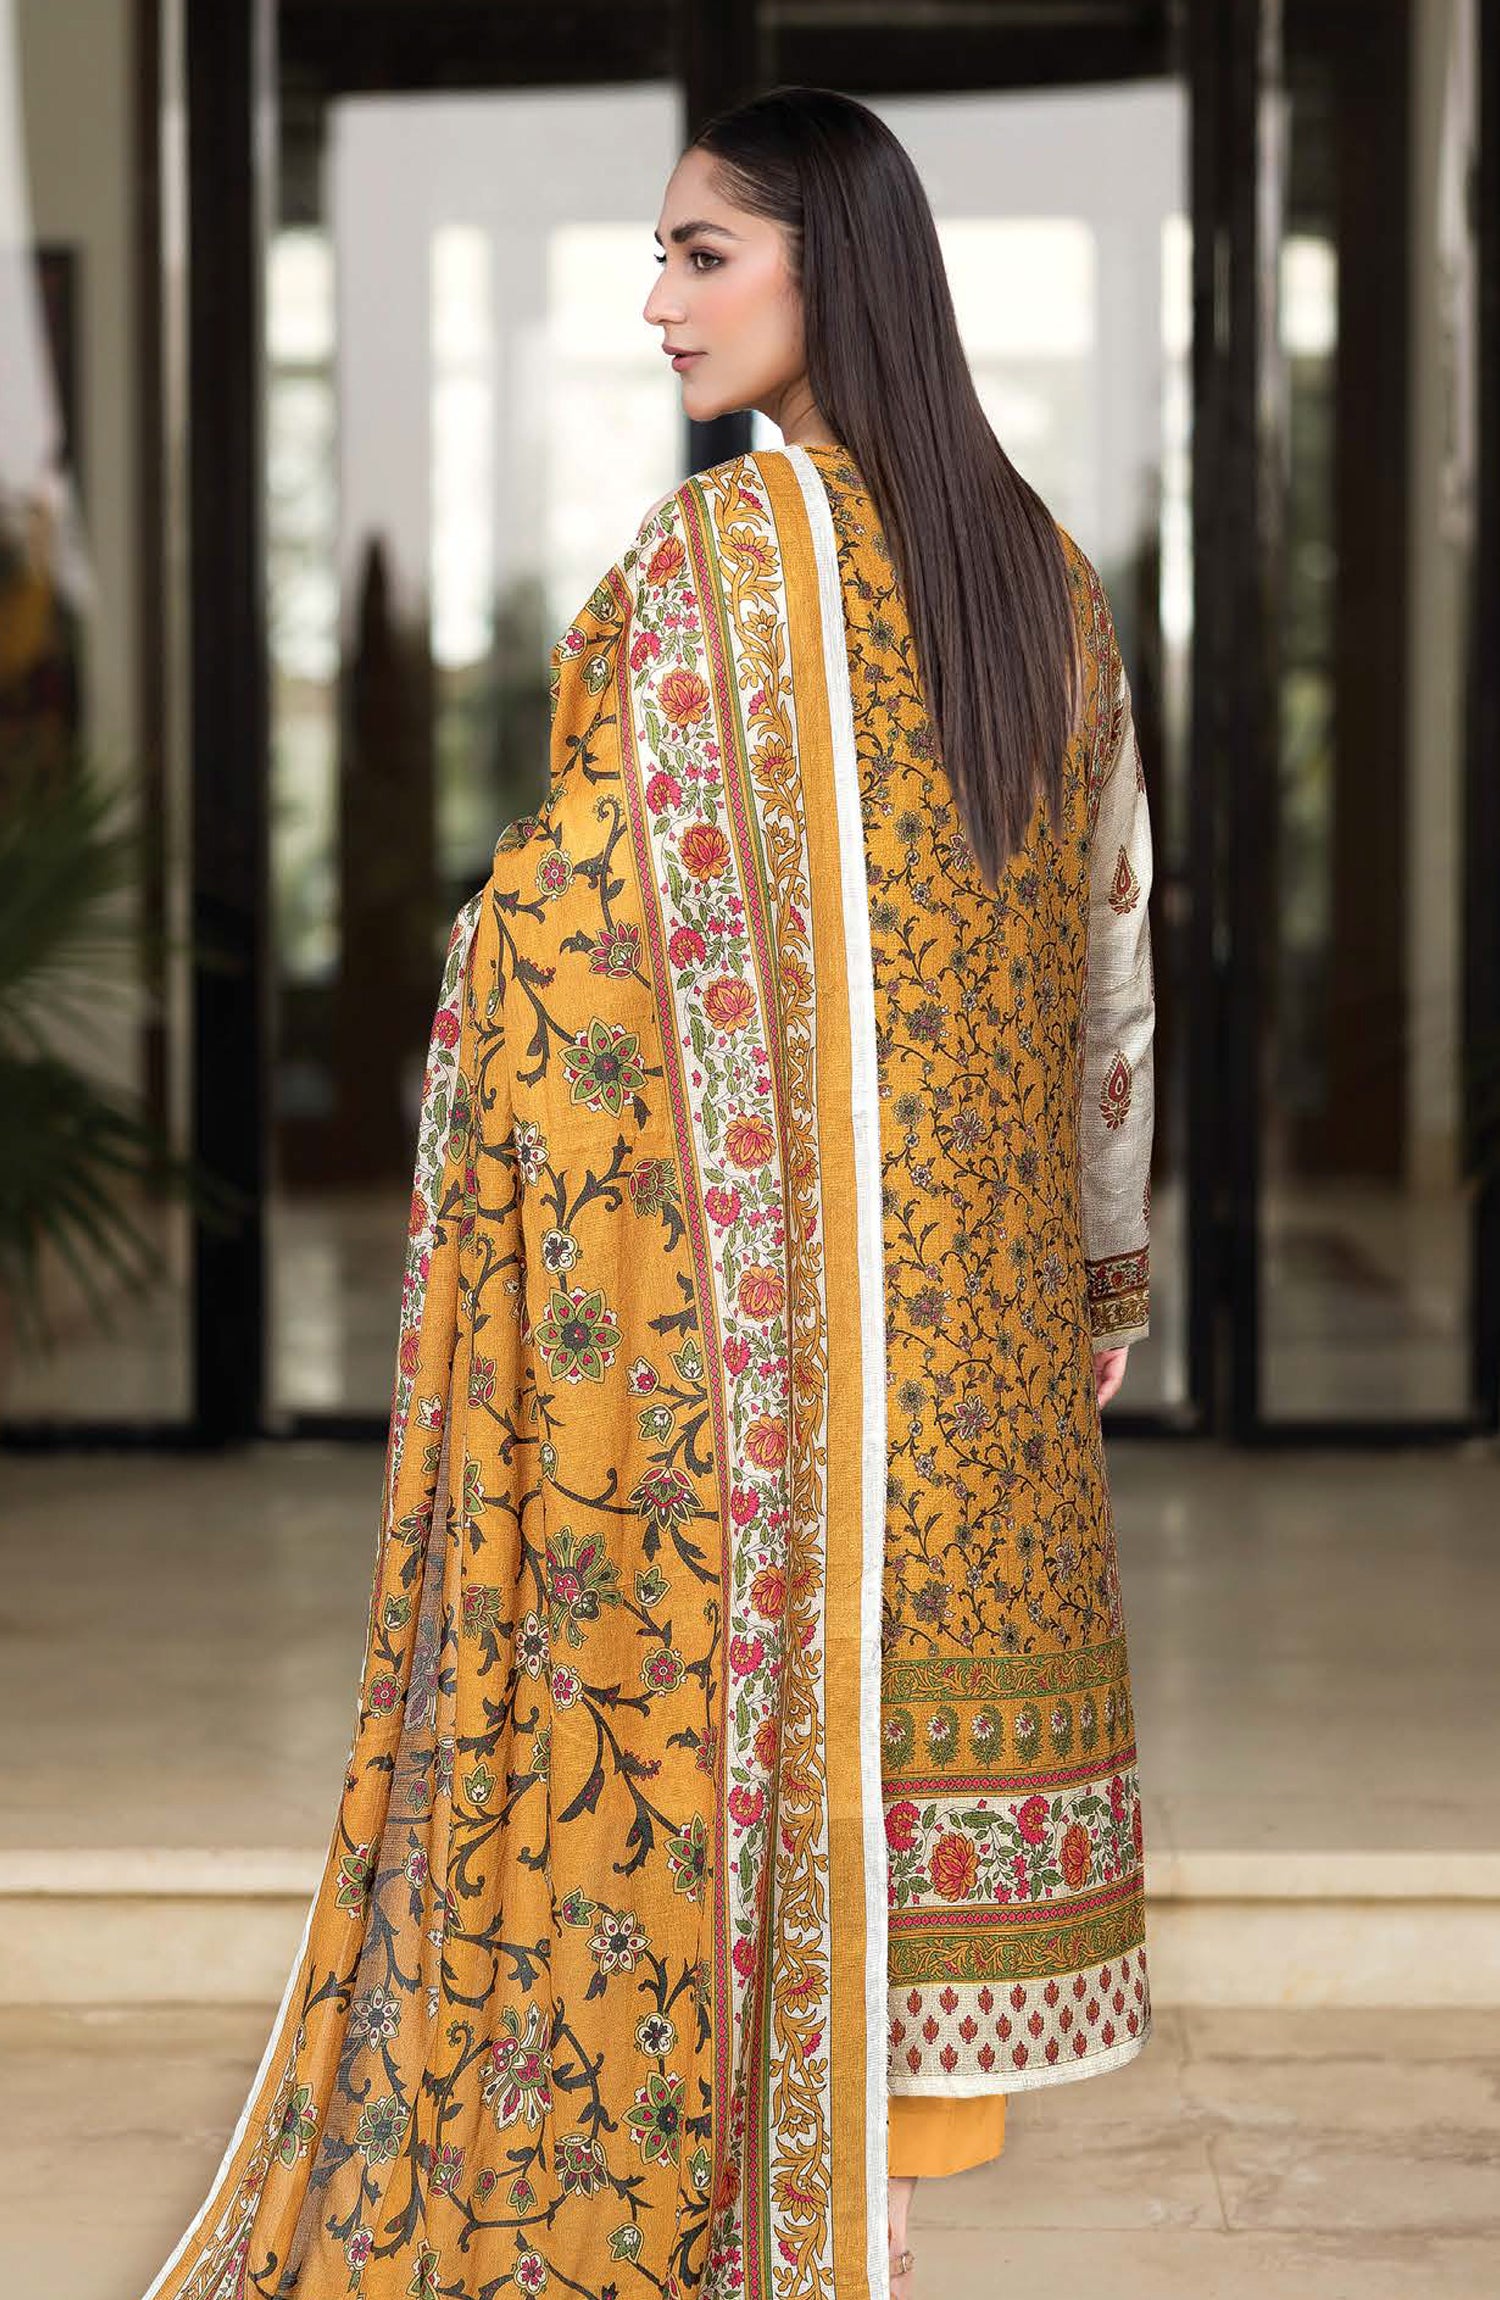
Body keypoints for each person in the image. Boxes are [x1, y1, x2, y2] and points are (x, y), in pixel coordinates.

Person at [139, 84, 1155, 2300]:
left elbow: (580, 923)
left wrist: (482, 955)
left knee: (748, 1862)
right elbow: (1112, 978)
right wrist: (1092, 1292)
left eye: (705, 253)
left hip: (774, 1396)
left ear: (829, 265)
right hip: (981, 1390)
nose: (659, 301)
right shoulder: (1048, 575)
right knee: (886, 1979)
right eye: (661, 257)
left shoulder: (727, 558)